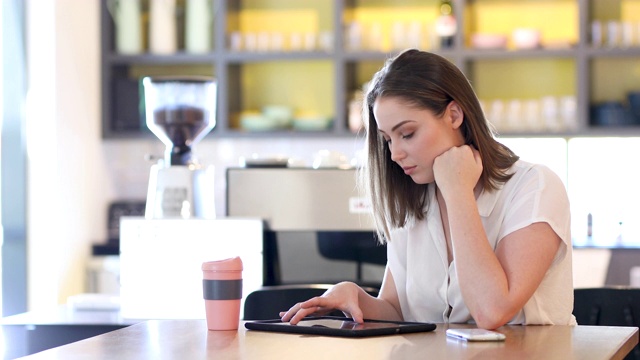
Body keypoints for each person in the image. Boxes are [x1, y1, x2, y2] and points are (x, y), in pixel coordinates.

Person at [280, 49, 576, 330]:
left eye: (407, 134)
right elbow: (397, 311)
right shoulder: (416, 197)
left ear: (454, 115)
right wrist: (358, 298)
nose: (395, 154)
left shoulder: (534, 187)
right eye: (388, 140)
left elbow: (492, 310)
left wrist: (458, 191)